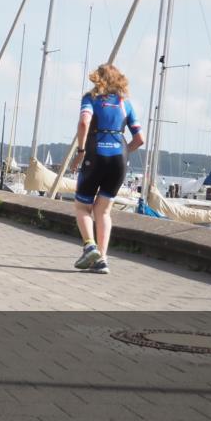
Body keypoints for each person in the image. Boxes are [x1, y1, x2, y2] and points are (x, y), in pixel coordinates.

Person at [70, 64, 145, 274]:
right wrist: (123, 153)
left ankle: (90, 246)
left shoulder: (90, 98)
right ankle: (102, 260)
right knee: (103, 211)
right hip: (119, 158)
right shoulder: (125, 103)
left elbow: (84, 123)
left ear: (98, 79)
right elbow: (140, 139)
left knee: (82, 207)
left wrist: (81, 151)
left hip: (95, 155)